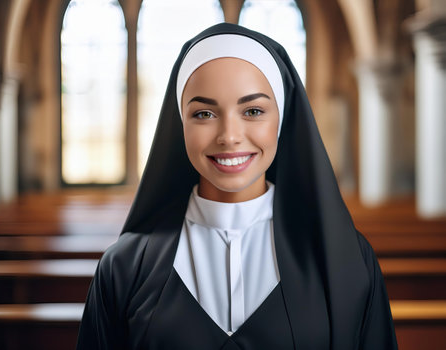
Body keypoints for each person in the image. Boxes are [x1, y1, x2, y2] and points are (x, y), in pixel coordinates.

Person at [76, 23, 398, 350]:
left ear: (282, 118)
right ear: (180, 124)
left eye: (253, 111)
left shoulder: (347, 261)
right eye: (203, 113)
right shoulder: (124, 268)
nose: (229, 136)